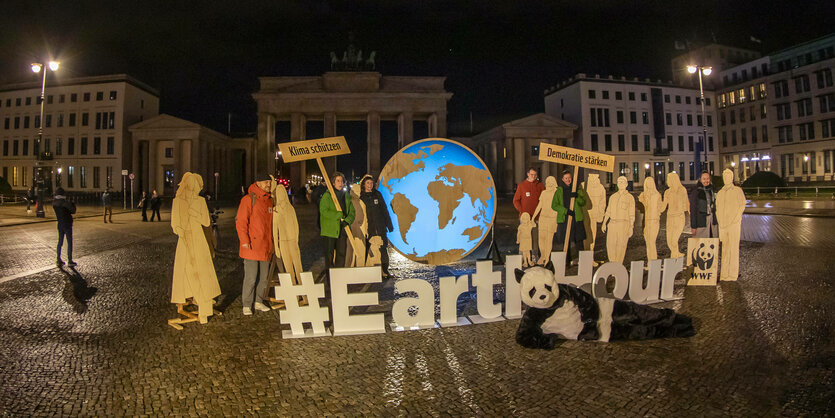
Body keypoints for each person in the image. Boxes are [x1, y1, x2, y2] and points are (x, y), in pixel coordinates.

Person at [171, 173, 221, 323]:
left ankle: (204, 307)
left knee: (202, 272)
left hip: (198, 239)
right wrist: (182, 232)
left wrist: (193, 211)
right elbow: (175, 224)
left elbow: (206, 221)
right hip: (185, 240)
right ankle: (190, 298)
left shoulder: (200, 201)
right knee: (186, 272)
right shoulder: (178, 201)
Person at [235, 177, 274, 316]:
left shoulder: (270, 200)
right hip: (251, 245)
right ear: (257, 183)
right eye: (265, 182)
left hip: (266, 245)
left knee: (264, 277)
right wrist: (244, 241)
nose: (268, 184)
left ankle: (258, 301)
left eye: (269, 182)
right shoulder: (248, 199)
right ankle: (247, 303)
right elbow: (241, 222)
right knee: (251, 277)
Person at [319, 171, 355, 274]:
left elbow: (352, 212)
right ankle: (330, 279)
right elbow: (324, 211)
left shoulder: (346, 196)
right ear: (333, 183)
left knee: (341, 254)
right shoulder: (327, 196)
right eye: (337, 181)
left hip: (343, 230)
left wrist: (347, 221)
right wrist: (338, 215)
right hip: (329, 230)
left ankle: (339, 277)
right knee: (329, 256)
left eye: (341, 181)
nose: (340, 183)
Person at [359, 174, 393, 276]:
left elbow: (384, 209)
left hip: (380, 227)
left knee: (383, 249)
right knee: (367, 249)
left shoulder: (377, 194)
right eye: (367, 183)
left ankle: (385, 271)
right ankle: (367, 271)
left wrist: (389, 224)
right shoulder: (361, 197)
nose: (370, 185)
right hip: (368, 228)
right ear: (364, 184)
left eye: (371, 183)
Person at [551, 170, 587, 266]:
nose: (568, 180)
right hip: (565, 219)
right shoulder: (559, 191)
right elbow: (554, 205)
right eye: (566, 178)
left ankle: (583, 262)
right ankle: (567, 261)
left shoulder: (577, 189)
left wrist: (577, 197)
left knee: (579, 240)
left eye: (569, 178)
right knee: (565, 241)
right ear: (563, 179)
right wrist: (565, 211)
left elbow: (583, 202)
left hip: (576, 219)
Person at [513, 168, 545, 261]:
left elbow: (544, 198)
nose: (533, 176)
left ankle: (534, 255)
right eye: (532, 174)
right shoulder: (522, 186)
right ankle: (522, 256)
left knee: (535, 237)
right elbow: (516, 200)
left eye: (535, 175)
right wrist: (522, 211)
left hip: (536, 217)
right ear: (528, 174)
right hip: (525, 218)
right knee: (525, 237)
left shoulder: (540, 186)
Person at [53, 188, 77, 267]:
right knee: (69, 242)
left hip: (60, 224)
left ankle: (58, 259)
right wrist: (72, 203)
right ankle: (69, 260)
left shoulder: (55, 203)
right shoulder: (64, 203)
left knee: (60, 242)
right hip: (67, 223)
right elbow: (73, 211)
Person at [689, 171, 718, 238]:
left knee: (712, 243)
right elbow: (693, 210)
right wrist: (693, 226)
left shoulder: (713, 190)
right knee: (701, 244)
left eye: (707, 178)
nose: (706, 181)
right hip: (701, 223)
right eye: (704, 179)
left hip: (712, 222)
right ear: (700, 180)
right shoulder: (696, 192)